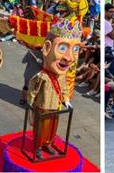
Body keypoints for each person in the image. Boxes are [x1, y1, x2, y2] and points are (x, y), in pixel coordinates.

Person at [27, 19, 81, 159]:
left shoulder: (61, 77)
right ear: (47, 48)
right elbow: (33, 90)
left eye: (75, 49)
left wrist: (66, 100)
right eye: (62, 48)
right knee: (41, 128)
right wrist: (30, 102)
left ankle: (48, 143)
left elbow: (64, 89)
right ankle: (38, 146)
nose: (70, 58)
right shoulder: (42, 76)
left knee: (52, 128)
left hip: (56, 106)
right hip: (43, 106)